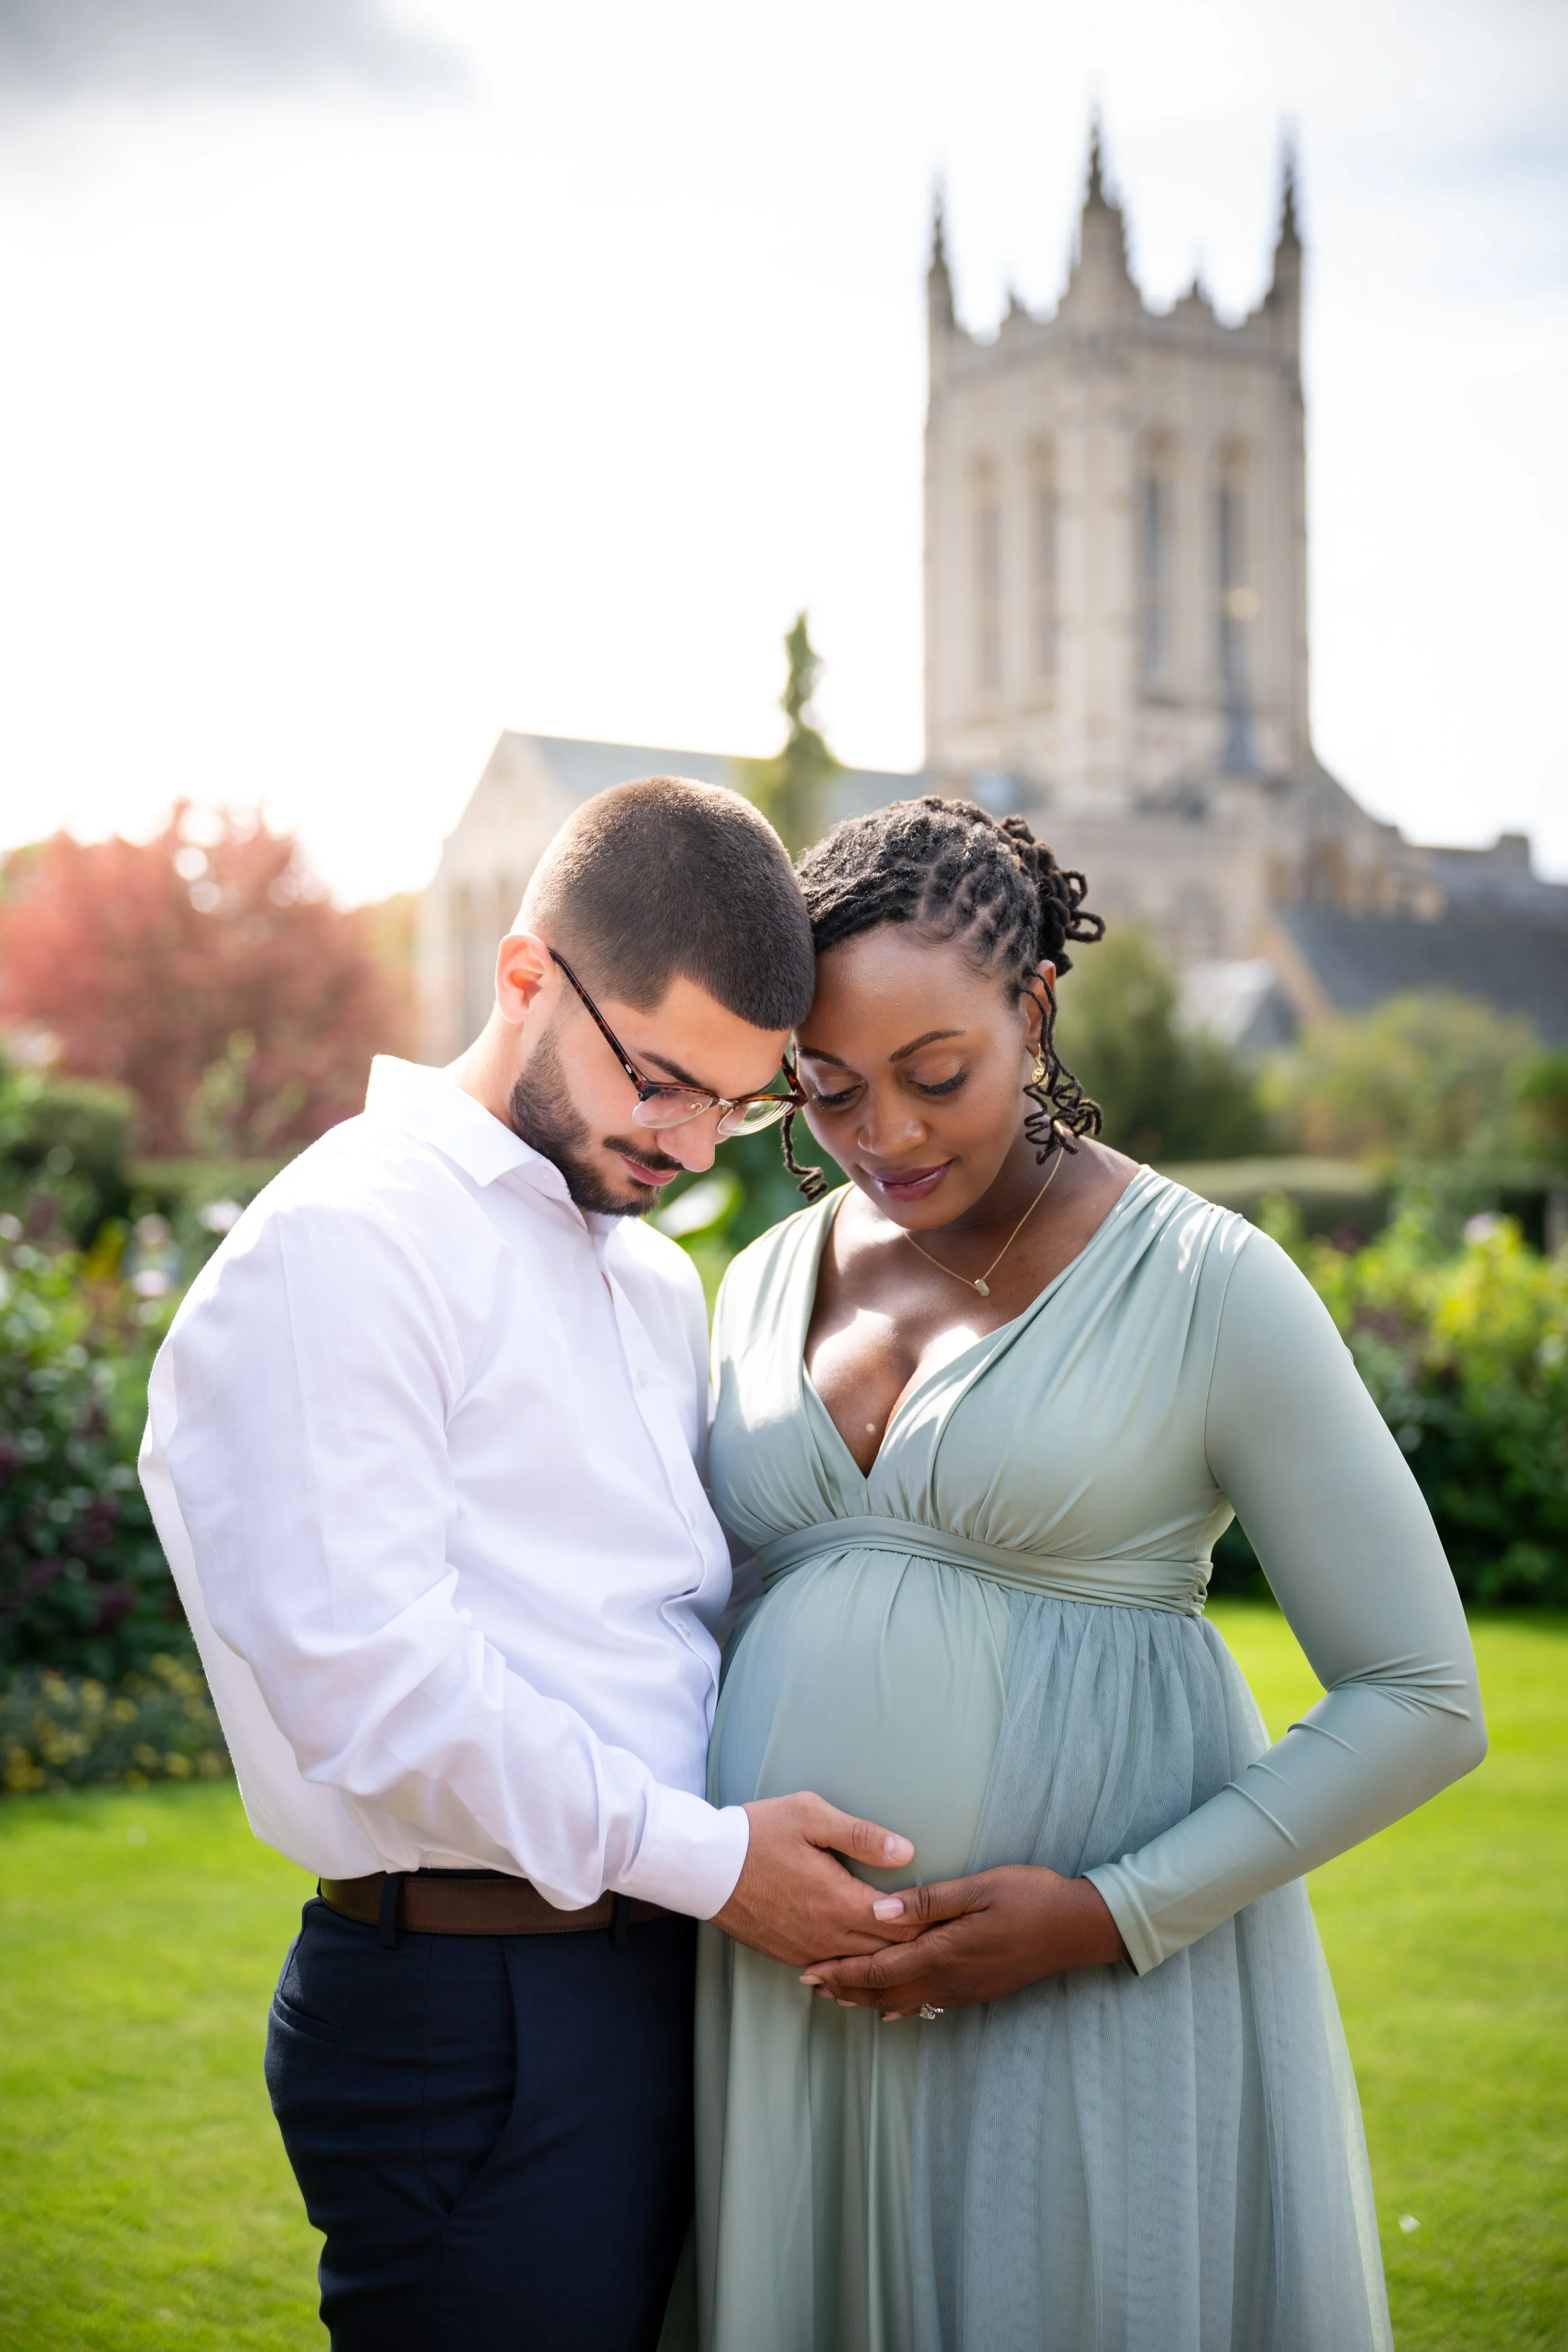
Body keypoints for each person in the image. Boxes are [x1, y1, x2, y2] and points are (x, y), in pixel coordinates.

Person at [696, 795, 1487, 2352]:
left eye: (938, 1076)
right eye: (829, 1088)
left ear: (1032, 1005)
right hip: (778, 1996)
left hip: (1084, 1992)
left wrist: (1107, 1914)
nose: (885, 1137)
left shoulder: (1205, 1281)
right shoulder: (762, 1278)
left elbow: (1420, 1696)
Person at [138, 777, 919, 2352]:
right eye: (658, 1079)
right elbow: (377, 1691)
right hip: (470, 2010)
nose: (691, 1142)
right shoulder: (346, 1244)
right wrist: (716, 1864)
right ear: (520, 979)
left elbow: (669, 1631)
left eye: (741, 1105)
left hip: (660, 1977)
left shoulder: (642, 1283)